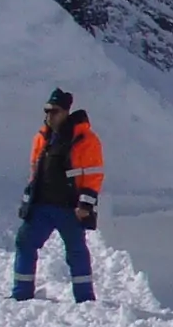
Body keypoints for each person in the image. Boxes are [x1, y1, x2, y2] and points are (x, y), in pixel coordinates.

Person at [13, 88, 104, 303]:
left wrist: (85, 205)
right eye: (47, 110)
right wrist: (29, 201)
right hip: (42, 207)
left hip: (69, 209)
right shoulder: (42, 137)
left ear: (65, 112)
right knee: (24, 243)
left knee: (76, 252)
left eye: (54, 111)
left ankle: (85, 300)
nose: (49, 115)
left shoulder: (85, 140)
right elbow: (35, 171)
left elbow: (93, 175)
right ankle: (21, 294)